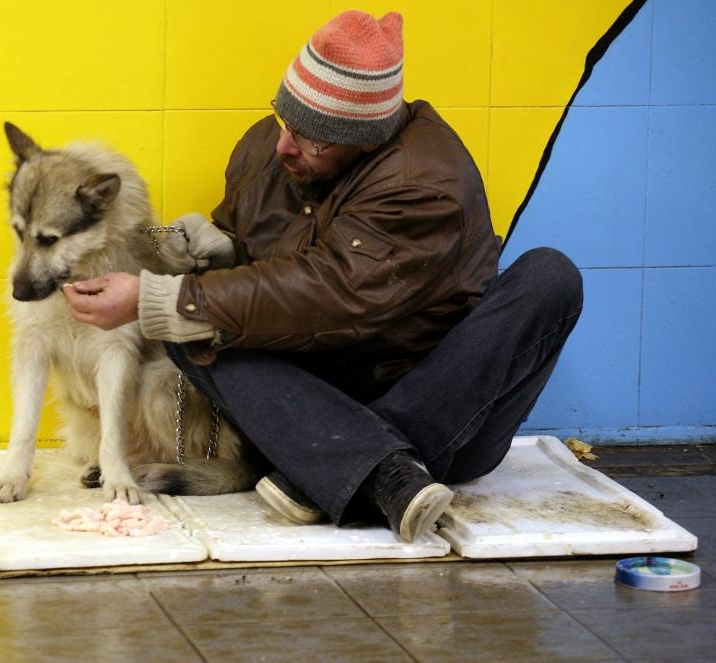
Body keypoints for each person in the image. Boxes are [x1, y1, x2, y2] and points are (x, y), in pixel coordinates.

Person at [62, 10, 583, 542]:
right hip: (311, 406)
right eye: (285, 121)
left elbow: (334, 291)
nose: (285, 145)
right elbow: (259, 270)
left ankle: (350, 469)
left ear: (366, 142)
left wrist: (163, 296)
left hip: (437, 409)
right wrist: (217, 250)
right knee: (190, 324)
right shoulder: (272, 146)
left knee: (550, 276)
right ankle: (372, 473)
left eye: (314, 141)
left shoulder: (423, 180)